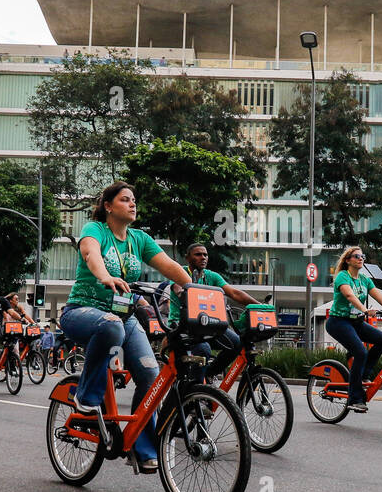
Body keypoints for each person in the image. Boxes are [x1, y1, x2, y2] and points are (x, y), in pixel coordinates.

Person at [60, 181, 191, 474]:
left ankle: (141, 448)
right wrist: (105, 276)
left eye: (134, 200)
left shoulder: (139, 239)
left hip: (123, 316)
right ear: (108, 206)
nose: (132, 204)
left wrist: (194, 287)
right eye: (124, 199)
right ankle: (86, 398)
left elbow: (169, 266)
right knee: (110, 326)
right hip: (82, 310)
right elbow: (91, 255)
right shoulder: (95, 230)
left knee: (149, 374)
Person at [324, 246, 382, 412]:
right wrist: (364, 309)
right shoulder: (342, 276)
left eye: (362, 256)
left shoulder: (364, 280)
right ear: (348, 260)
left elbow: (381, 297)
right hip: (338, 322)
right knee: (360, 351)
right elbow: (349, 295)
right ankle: (355, 398)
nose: (360, 258)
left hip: (356, 322)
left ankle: (364, 374)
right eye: (356, 256)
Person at [168, 243, 260, 382]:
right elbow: (178, 289)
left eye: (205, 254)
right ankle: (195, 392)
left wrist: (260, 306)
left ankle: (209, 374)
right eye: (198, 254)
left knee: (235, 342)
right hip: (182, 325)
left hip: (206, 325)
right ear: (187, 258)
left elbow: (234, 293)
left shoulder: (211, 276)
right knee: (204, 350)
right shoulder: (180, 272)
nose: (203, 257)